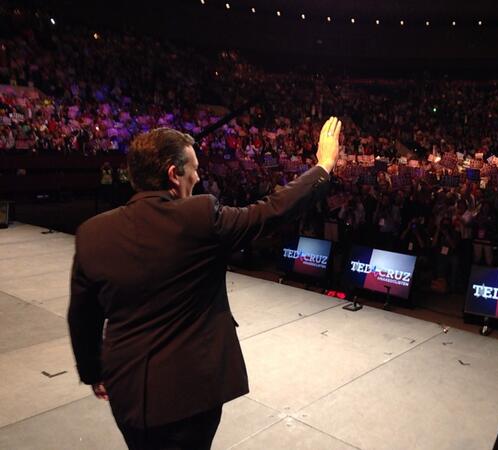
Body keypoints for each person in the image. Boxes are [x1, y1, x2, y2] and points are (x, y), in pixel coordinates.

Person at [68, 118, 342, 449]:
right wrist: (323, 166)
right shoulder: (200, 217)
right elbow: (271, 211)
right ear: (174, 174)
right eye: (194, 169)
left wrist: (93, 372)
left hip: (126, 391)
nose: (198, 177)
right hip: (190, 397)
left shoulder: (92, 233)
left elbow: (82, 318)